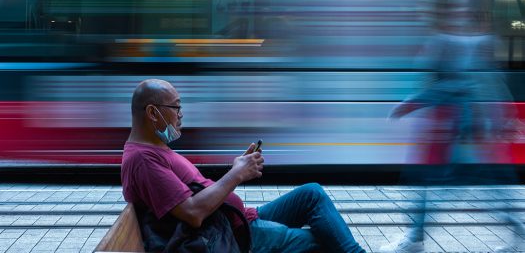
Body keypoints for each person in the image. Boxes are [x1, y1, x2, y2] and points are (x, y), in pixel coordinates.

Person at [121, 79, 366, 253]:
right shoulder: (143, 160)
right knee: (324, 241)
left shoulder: (151, 150)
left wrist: (238, 167)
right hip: (234, 235)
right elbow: (193, 213)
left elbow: (194, 194)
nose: (181, 114)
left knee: (311, 193)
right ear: (153, 113)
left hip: (237, 219)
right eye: (176, 107)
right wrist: (236, 174)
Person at [380, 0, 524, 253]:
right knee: (479, 183)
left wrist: (409, 104)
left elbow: (460, 84)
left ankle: (415, 239)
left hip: (463, 128)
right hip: (460, 127)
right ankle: (416, 237)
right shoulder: (457, 40)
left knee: (432, 181)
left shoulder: (457, 42)